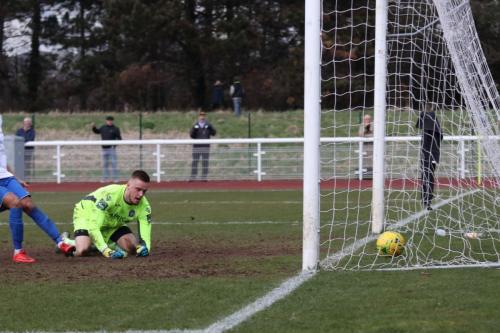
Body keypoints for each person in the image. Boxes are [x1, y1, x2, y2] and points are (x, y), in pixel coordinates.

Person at [0, 115, 75, 263]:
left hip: (5, 176)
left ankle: (60, 242)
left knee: (28, 204)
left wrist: (14, 176)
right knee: (15, 203)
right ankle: (18, 252)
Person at [72, 170, 152, 258]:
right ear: (128, 185)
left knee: (133, 248)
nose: (141, 194)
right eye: (138, 189)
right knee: (83, 250)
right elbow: (93, 226)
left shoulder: (144, 206)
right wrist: (106, 251)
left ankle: (101, 243)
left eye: (144, 191)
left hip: (112, 222)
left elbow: (145, 231)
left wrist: (146, 248)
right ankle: (67, 242)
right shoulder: (110, 195)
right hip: (87, 213)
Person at [416, 107, 443, 210]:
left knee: (427, 178)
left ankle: (426, 199)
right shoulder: (435, 130)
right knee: (427, 178)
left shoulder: (431, 131)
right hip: (429, 156)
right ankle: (426, 199)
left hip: (429, 157)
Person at [92, 116, 122, 182]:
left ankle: (115, 178)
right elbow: (97, 131)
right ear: (106, 121)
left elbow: (119, 138)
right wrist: (93, 127)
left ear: (112, 121)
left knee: (114, 163)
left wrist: (114, 145)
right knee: (105, 164)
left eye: (111, 120)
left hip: (111, 149)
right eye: (108, 120)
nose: (109, 121)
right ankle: (105, 178)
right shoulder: (103, 127)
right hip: (104, 149)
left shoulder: (115, 128)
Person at [189, 112, 216, 181]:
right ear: (199, 116)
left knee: (205, 162)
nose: (202, 117)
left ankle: (204, 177)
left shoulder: (208, 124)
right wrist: (194, 129)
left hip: (205, 146)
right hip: (197, 146)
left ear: (205, 116)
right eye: (201, 115)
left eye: (203, 115)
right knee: (195, 162)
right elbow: (192, 136)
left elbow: (214, 133)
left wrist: (210, 128)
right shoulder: (195, 125)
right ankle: (193, 177)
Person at [358, 114, 374, 180]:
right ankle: (365, 175)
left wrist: (366, 130)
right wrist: (367, 130)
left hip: (372, 144)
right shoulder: (362, 125)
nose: (367, 120)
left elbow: (373, 132)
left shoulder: (374, 124)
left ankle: (374, 173)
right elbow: (360, 134)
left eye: (368, 119)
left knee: (373, 159)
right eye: (365, 119)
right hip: (364, 145)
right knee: (365, 159)